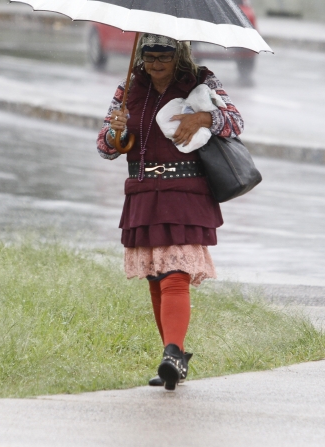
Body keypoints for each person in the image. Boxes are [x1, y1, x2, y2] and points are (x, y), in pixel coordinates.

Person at [96, 33, 244, 391]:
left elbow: (236, 124)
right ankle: (172, 357)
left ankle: (173, 353)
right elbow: (105, 147)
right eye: (149, 56)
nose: (155, 64)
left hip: (186, 192)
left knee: (176, 273)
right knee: (155, 276)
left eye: (163, 57)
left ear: (178, 55)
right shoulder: (129, 87)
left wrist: (206, 118)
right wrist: (115, 134)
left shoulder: (202, 81)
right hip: (143, 193)